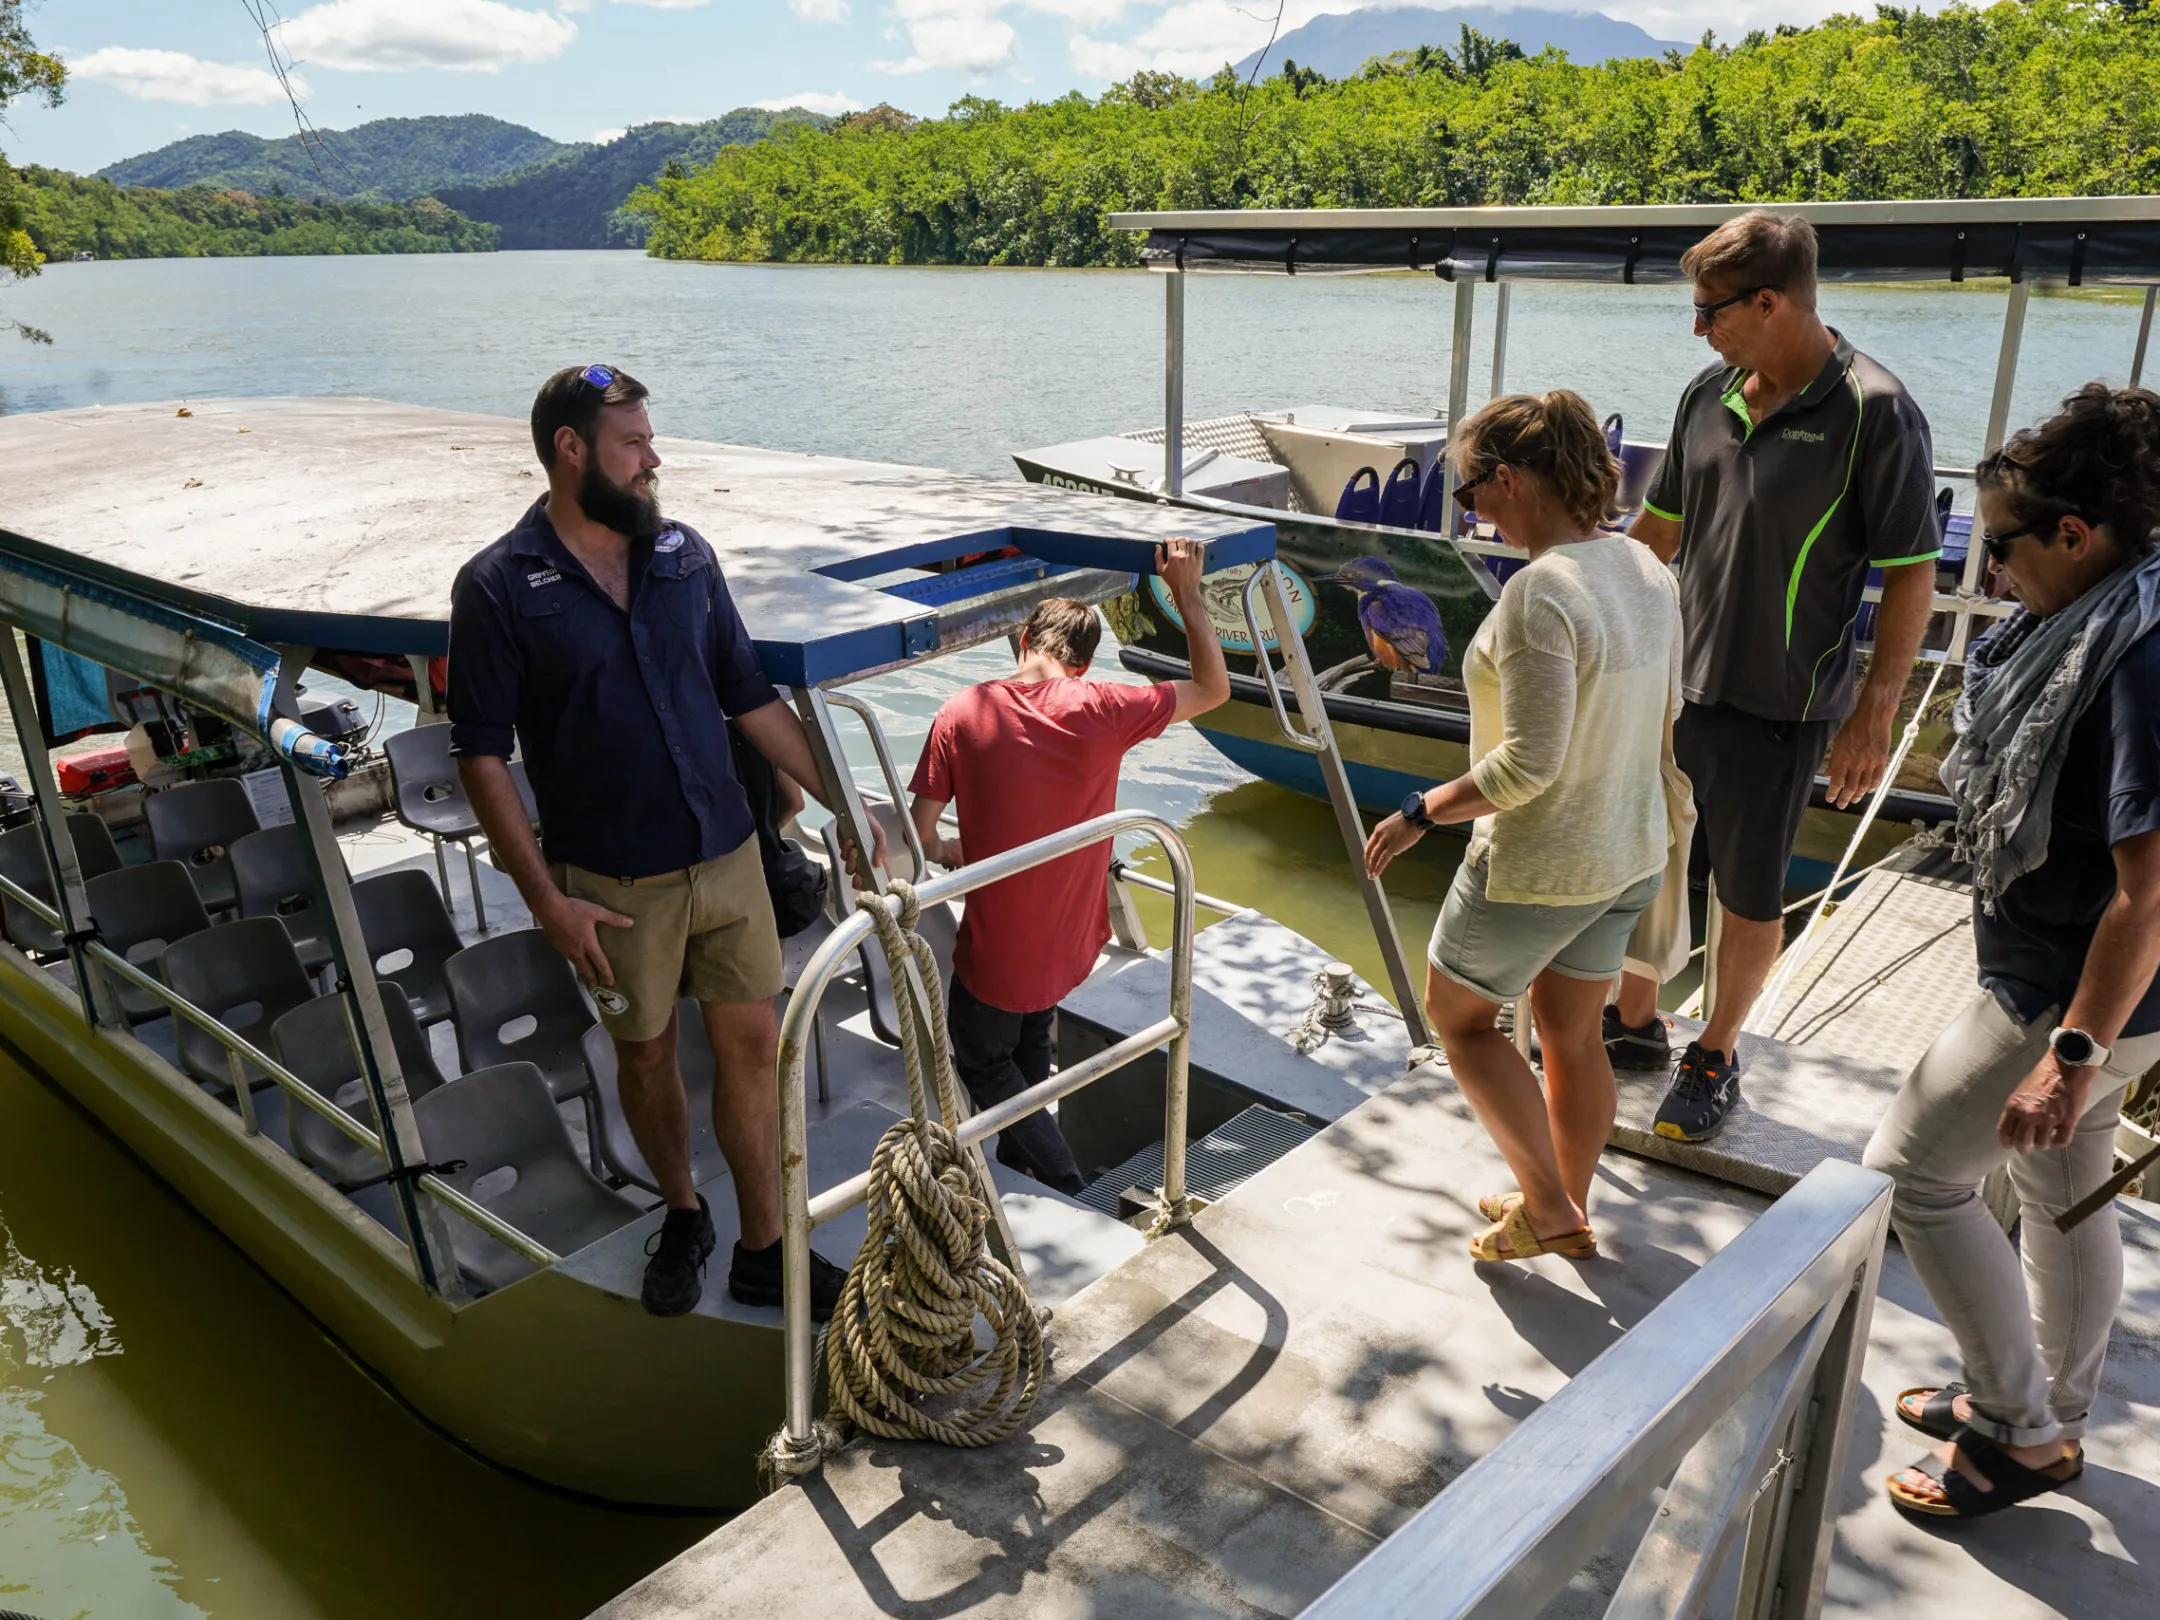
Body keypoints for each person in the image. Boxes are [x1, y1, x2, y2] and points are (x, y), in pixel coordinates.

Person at [448, 363, 880, 1319]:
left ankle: (766, 1247)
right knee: (643, 1057)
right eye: (633, 444)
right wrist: (546, 902)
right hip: (612, 885)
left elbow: (749, 697)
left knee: (754, 1044)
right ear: (571, 450)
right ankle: (684, 1211)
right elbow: (481, 757)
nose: (653, 460)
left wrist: (848, 810)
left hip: (729, 858)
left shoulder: (686, 555)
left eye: (649, 440)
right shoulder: (497, 587)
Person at [1865, 385, 2160, 1520]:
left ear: (2075, 536)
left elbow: (2148, 888)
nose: (1991, 575)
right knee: (2061, 1182)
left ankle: (2016, 1429)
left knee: (1915, 1176)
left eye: (2002, 547)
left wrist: (2071, 1054)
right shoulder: (2100, 621)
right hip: (2096, 993)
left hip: (2073, 993)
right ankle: (2050, 1411)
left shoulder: (2135, 658)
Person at [1612, 208, 1943, 1143]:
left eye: (1711, 310)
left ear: (1770, 301)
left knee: (1748, 889)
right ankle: (1634, 1021)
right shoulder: (1703, 396)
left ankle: (1713, 1050)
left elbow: (1910, 567)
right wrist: (1592, 614)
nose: (1698, 327)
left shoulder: (1876, 411)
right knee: (1653, 862)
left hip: (1781, 702)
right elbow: (1660, 535)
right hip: (1678, 684)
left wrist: (1875, 711)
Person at [1366, 391, 1685, 1263]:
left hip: (1547, 860)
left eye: (1472, 494)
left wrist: (1416, 811)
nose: (1473, 513)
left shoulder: (1541, 592)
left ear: (1507, 479)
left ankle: (1549, 1210)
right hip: (1632, 846)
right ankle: (1559, 1199)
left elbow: (1526, 766)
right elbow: (1670, 706)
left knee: (1459, 1019)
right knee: (1571, 1029)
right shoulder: (1645, 566)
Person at [905, 540, 1228, 1192]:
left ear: (1022, 638)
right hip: (1069, 942)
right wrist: (1187, 594)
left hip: (998, 953)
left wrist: (953, 853)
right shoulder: (1106, 708)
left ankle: (1069, 1181)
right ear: (1082, 664)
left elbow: (921, 834)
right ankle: (1026, 1170)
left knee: (983, 1062)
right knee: (1027, 1050)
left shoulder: (963, 712)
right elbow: (1213, 688)